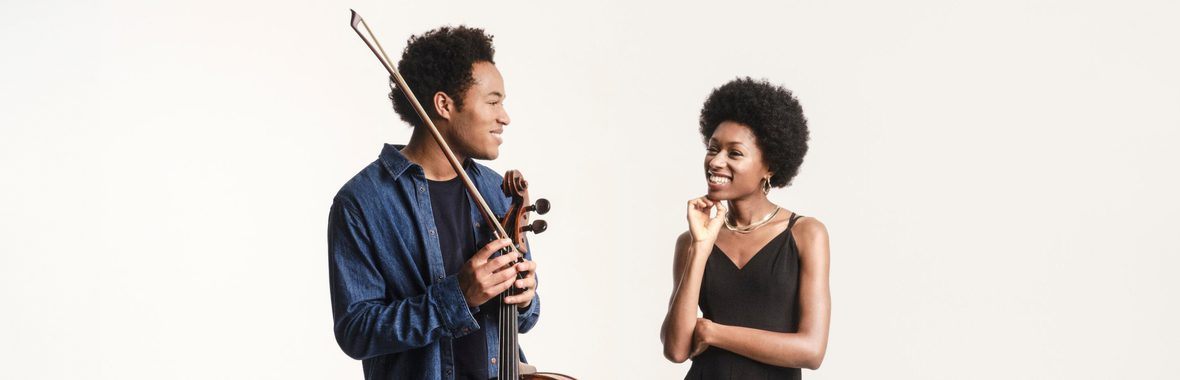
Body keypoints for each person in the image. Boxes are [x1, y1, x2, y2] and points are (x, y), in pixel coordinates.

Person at [328, 25, 540, 380]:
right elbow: (356, 331)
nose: (505, 117)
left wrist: (525, 298)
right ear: (444, 104)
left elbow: (527, 320)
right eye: (493, 102)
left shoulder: (497, 191)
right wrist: (456, 296)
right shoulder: (362, 202)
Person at [661, 78, 831, 379]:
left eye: (734, 153)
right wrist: (702, 246)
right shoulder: (690, 241)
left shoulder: (805, 234)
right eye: (713, 149)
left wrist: (713, 333)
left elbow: (811, 351)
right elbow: (676, 350)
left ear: (770, 166)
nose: (716, 161)